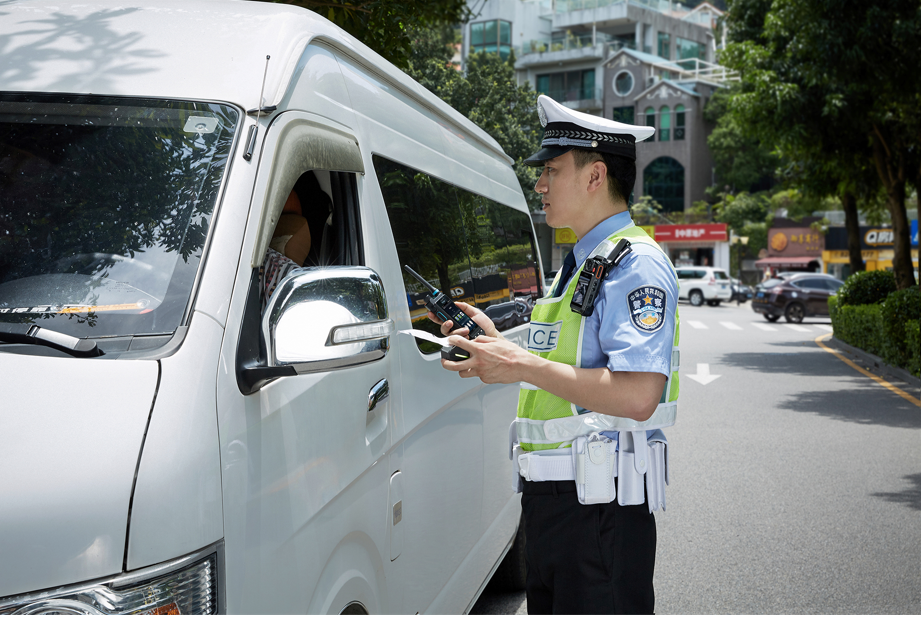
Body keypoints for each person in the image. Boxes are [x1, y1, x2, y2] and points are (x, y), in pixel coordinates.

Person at [427, 95, 679, 614]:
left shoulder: (635, 263)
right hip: (558, 509)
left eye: (552, 170)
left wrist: (518, 365)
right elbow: (566, 363)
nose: (540, 184)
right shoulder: (582, 261)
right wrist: (498, 344)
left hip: (600, 512)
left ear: (595, 176)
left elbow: (638, 395)